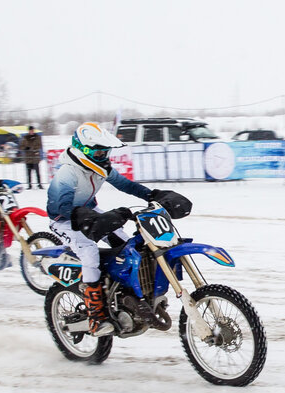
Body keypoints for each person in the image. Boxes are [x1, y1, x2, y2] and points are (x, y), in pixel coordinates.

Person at [47, 122, 190, 336]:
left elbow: (126, 185)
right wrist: (83, 215)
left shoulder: (101, 168)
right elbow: (61, 206)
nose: (103, 155)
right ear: (83, 150)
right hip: (64, 220)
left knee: (127, 246)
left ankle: (126, 295)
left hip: (91, 212)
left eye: (106, 151)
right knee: (89, 251)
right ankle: (96, 315)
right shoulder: (68, 172)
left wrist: (152, 195)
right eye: (99, 151)